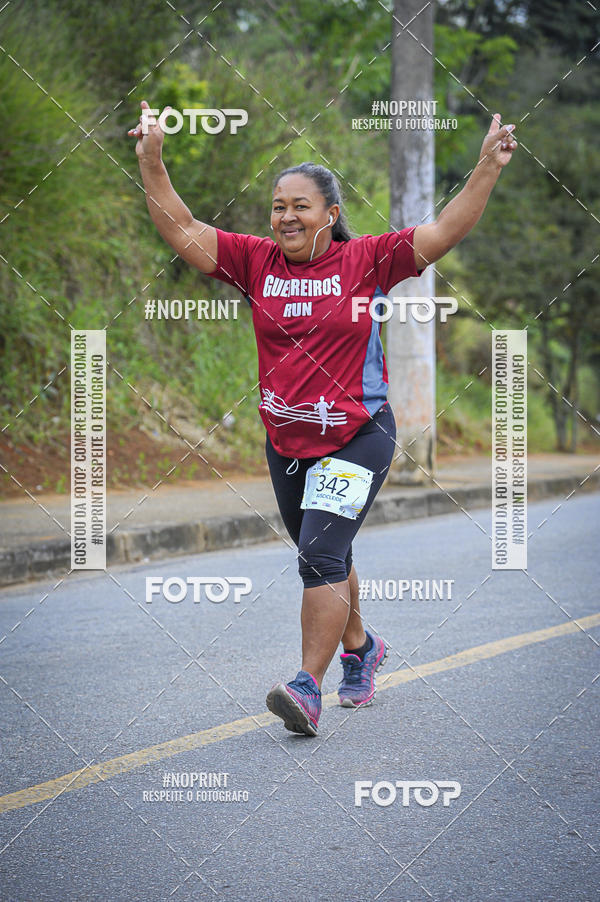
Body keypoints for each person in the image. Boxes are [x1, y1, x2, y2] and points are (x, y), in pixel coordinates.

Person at [129, 102, 517, 736]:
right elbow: (183, 228)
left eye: (300, 206)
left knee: (318, 554)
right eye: (278, 206)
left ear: (330, 215)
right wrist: (152, 161)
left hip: (358, 434)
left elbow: (446, 229)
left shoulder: (369, 260)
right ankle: (362, 648)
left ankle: (306, 687)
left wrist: (487, 167)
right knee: (327, 553)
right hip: (287, 442)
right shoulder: (255, 262)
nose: (286, 216)